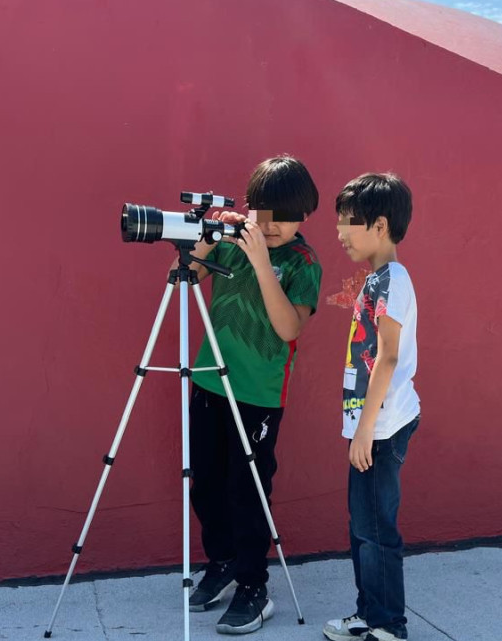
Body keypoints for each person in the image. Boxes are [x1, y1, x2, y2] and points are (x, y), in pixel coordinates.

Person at [183, 155, 322, 635]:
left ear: (305, 214)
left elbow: (287, 329)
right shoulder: (233, 242)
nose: (273, 225)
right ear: (249, 208)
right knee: (204, 483)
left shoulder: (302, 262)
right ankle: (220, 562)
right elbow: (184, 275)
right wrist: (207, 236)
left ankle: (253, 586)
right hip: (207, 381)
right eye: (264, 214)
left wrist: (262, 261)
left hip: (258, 395)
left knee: (248, 493)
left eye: (286, 216)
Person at [324, 173, 420, 641]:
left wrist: (365, 429)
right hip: (368, 425)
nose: (339, 232)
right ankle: (368, 614)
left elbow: (389, 355)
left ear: (379, 225)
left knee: (378, 529)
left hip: (382, 427)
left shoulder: (393, 279)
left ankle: (390, 625)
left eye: (347, 222)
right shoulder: (376, 279)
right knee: (362, 529)